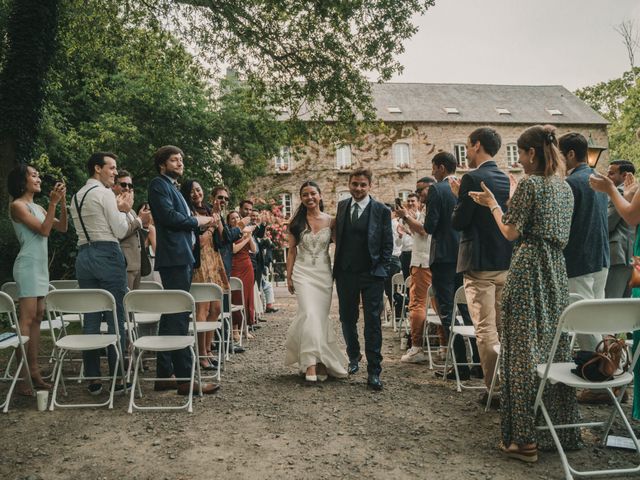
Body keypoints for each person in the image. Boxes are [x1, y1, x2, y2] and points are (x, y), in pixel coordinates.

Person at [468, 124, 581, 462]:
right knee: (553, 348)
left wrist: (492, 204)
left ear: (532, 153)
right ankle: (557, 431)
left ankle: (523, 440)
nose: (518, 159)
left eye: (520, 153)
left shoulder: (530, 185)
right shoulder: (565, 189)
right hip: (556, 272)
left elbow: (510, 232)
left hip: (529, 266)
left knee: (519, 352)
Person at [148, 145, 219, 395]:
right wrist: (197, 220)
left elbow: (182, 222)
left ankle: (164, 375)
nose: (180, 163)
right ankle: (186, 380)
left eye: (181, 160)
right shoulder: (158, 185)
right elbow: (168, 218)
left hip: (183, 257)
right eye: (174, 160)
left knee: (171, 316)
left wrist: (203, 224)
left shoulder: (173, 187)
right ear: (162, 164)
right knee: (179, 317)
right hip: (174, 259)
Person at [450, 127, 512, 400]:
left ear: (477, 145)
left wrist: (458, 197)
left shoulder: (472, 178)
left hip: (478, 264)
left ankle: (495, 389)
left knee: (485, 329)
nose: (465, 150)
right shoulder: (508, 178)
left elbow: (458, 222)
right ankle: (510, 383)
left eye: (467, 145)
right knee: (502, 327)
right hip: (505, 260)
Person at [70, 152, 132, 395]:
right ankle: (118, 378)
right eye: (112, 168)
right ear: (98, 168)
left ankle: (93, 378)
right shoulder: (105, 193)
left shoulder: (76, 196)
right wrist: (126, 211)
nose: (115, 172)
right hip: (106, 252)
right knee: (116, 314)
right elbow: (119, 229)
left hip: (83, 255)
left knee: (91, 317)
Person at [8, 164, 67, 394]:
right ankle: (22, 377)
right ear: (22, 181)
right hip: (28, 266)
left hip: (40, 268)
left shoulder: (39, 206)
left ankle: (34, 372)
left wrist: (60, 202)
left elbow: (61, 227)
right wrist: (52, 204)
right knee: (27, 319)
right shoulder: (17, 206)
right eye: (33, 175)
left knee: (38, 317)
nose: (38, 178)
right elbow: (43, 231)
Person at [333, 168, 393, 390]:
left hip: (371, 274)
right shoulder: (342, 207)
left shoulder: (381, 210)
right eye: (354, 184)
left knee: (372, 323)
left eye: (362, 185)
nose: (358, 188)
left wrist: (381, 269)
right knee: (347, 318)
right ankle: (353, 355)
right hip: (346, 272)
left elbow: (388, 244)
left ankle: (374, 371)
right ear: (349, 184)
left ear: (370, 186)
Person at [284, 181, 348, 381]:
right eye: (305, 195)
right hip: (302, 273)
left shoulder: (332, 221)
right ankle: (310, 363)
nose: (309, 197)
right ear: (301, 198)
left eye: (313, 193)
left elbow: (339, 248)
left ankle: (321, 362)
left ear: (320, 195)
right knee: (310, 313)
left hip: (323, 274)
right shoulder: (295, 223)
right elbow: (292, 251)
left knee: (318, 318)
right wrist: (289, 276)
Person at [425, 152, 479, 380]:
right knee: (467, 310)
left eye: (434, 168)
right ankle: (478, 362)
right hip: (463, 254)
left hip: (444, 255)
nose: (432, 172)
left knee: (448, 311)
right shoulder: (464, 185)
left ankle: (460, 366)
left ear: (441, 167)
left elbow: (430, 225)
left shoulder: (437, 189)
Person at [559, 133, 609, 354]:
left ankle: (600, 373)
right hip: (601, 257)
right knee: (598, 317)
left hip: (579, 259)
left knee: (583, 320)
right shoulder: (598, 178)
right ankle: (608, 367)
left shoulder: (571, 183)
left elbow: (564, 224)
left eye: (559, 155)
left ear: (570, 154)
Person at [180, 179, 228, 371]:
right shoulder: (188, 213)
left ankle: (208, 350)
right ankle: (200, 355)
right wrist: (210, 226)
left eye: (198, 189)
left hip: (214, 262)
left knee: (216, 309)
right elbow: (198, 242)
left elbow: (222, 239)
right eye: (191, 191)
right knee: (202, 311)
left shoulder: (209, 210)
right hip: (199, 265)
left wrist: (218, 219)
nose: (196, 193)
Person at [395, 179, 434, 364]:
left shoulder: (429, 208)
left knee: (417, 304)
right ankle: (442, 347)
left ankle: (417, 347)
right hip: (431, 260)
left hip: (422, 262)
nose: (418, 194)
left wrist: (405, 217)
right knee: (436, 303)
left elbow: (424, 231)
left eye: (420, 190)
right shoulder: (434, 205)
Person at [112, 170, 151, 291]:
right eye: (123, 184)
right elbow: (119, 234)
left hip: (137, 264)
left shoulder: (132, 211)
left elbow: (137, 236)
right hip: (123, 264)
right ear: (114, 186)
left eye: (130, 185)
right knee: (124, 304)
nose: (127, 188)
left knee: (133, 306)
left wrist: (144, 225)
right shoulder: (113, 206)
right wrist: (139, 220)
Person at [604, 160, 636, 299]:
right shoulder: (635, 191)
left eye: (611, 173)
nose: (607, 176)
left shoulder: (619, 193)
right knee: (627, 304)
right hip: (633, 256)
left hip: (618, 255)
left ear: (624, 175)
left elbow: (608, 223)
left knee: (612, 301)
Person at [227, 211, 256, 342]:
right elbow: (233, 249)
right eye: (232, 218)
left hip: (247, 266)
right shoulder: (230, 233)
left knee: (248, 296)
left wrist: (249, 237)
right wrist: (247, 238)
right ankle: (234, 329)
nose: (235, 219)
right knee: (237, 297)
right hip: (235, 266)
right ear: (228, 221)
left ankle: (245, 328)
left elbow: (254, 250)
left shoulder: (245, 232)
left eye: (237, 217)